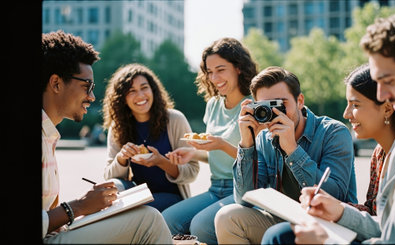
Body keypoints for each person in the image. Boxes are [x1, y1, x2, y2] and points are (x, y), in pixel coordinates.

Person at [289, 10, 395, 244]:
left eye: (389, 81)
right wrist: (340, 211)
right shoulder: (390, 152)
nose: (384, 95)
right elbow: (388, 226)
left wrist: (329, 241)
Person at [42, 30, 172, 244]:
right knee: (148, 221)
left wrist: (88, 208)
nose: (92, 96)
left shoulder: (48, 135)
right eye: (87, 86)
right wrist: (79, 206)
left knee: (143, 217)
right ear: (56, 83)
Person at [261, 63, 395, 244]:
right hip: (366, 232)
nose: (346, 114)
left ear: (386, 108)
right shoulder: (379, 154)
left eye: (355, 104)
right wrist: (338, 210)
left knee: (281, 235)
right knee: (279, 234)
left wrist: (328, 240)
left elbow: (394, 234)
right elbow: (375, 214)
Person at [214, 66, 358, 244]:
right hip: (283, 220)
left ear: (300, 101)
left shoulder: (334, 132)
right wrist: (247, 143)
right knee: (227, 216)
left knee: (278, 232)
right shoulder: (264, 138)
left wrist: (292, 149)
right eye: (266, 106)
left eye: (280, 104)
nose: (275, 113)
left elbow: (335, 196)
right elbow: (244, 199)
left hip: (329, 227)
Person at [163, 37, 258, 244]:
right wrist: (193, 153)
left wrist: (221, 145)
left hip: (244, 188)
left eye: (221, 69)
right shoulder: (213, 105)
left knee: (201, 226)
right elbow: (216, 152)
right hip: (216, 188)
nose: (214, 77)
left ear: (239, 68)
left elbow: (260, 159)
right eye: (209, 71)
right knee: (167, 220)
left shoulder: (253, 106)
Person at [102, 63, 200, 212]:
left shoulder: (175, 119)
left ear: (153, 90)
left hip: (172, 197)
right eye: (132, 91)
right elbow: (110, 177)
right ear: (122, 98)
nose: (140, 95)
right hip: (138, 194)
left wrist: (162, 162)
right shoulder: (118, 127)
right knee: (114, 191)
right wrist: (122, 158)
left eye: (144, 87)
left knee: (133, 211)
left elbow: (192, 172)